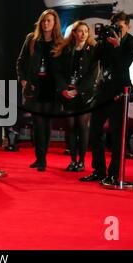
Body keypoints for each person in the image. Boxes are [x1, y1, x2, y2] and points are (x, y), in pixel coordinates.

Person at [80, 12, 133, 185]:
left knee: (117, 135)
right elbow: (92, 59)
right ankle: (99, 170)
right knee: (95, 131)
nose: (117, 31)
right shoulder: (106, 40)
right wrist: (99, 41)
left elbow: (122, 66)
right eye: (115, 27)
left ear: (128, 26)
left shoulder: (132, 42)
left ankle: (115, 174)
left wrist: (117, 46)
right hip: (103, 91)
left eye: (120, 27)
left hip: (120, 92)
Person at [16, 9, 64, 171]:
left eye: (49, 21)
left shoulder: (60, 42)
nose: (46, 24)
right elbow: (21, 61)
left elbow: (64, 67)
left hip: (52, 88)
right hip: (35, 87)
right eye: (44, 21)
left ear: (55, 23)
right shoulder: (32, 39)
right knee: (37, 122)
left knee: (46, 123)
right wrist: (22, 80)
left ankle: (42, 157)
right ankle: (40, 158)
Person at [52, 21, 98, 172]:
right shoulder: (66, 50)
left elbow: (92, 75)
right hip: (67, 94)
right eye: (80, 31)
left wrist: (78, 90)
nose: (83, 34)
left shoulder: (93, 50)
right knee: (70, 126)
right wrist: (64, 89)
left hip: (84, 95)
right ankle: (72, 160)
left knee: (82, 126)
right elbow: (58, 72)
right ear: (74, 33)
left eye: (86, 31)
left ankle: (82, 161)